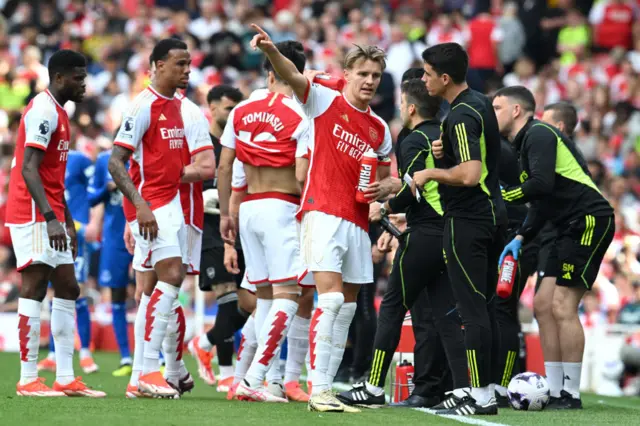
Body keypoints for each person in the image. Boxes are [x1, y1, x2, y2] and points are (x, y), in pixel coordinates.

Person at [247, 25, 393, 413]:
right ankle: (319, 390)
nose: (369, 81)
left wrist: (386, 190)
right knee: (328, 301)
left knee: (346, 308)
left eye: (375, 76)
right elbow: (294, 76)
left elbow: (385, 176)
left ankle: (325, 389)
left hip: (358, 221)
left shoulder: (378, 128)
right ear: (347, 74)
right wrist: (271, 49)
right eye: (362, 73)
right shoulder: (323, 100)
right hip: (322, 212)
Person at [338, 78, 468, 409]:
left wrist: (385, 208)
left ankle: (373, 385)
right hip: (451, 233)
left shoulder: (411, 140)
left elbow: (414, 191)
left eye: (400, 102)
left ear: (410, 107)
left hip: (425, 233)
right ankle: (463, 390)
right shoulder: (444, 135)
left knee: (393, 306)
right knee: (446, 315)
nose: (398, 107)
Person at [496, 89, 614, 409]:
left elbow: (541, 186)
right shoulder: (527, 143)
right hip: (564, 226)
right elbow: (542, 202)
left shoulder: (538, 132)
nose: (492, 114)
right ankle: (553, 387)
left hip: (587, 221)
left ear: (517, 110)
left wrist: (498, 200)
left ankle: (570, 394)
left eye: (497, 107)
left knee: (562, 306)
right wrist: (521, 237)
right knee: (543, 305)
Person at [414, 42, 507, 415]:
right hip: (490, 215)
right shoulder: (480, 101)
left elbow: (470, 175)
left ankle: (479, 394)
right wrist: (446, 153)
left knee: (470, 311)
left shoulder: (461, 115)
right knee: (483, 307)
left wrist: (431, 172)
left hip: (467, 220)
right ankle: (490, 389)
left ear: (445, 78)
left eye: (427, 73)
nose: (423, 80)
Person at [217, 40, 310, 403]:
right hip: (281, 207)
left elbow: (225, 166)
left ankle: (257, 378)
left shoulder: (241, 110)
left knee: (266, 298)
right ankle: (254, 380)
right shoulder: (302, 115)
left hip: (249, 209)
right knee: (291, 295)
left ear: (270, 75)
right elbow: (303, 177)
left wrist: (227, 213)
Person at [109, 38, 203, 399]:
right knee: (170, 277)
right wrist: (139, 206)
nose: (186, 70)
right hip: (152, 205)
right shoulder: (143, 106)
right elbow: (115, 162)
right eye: (179, 63)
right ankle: (149, 369)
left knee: (156, 288)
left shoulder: (177, 107)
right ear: (158, 65)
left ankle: (141, 376)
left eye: (189, 63)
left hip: (169, 203)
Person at [8, 49, 105, 397]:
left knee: (69, 288)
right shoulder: (44, 111)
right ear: (60, 77)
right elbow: (28, 168)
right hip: (32, 213)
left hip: (51, 214)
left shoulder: (61, 112)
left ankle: (65, 377)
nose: (84, 83)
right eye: (79, 77)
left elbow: (52, 175)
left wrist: (67, 223)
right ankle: (28, 378)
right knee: (33, 288)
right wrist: (50, 218)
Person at [188, 84, 248, 393]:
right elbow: (185, 178)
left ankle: (205, 342)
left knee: (247, 301)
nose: (234, 114)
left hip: (238, 229)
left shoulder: (240, 144)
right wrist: (208, 195)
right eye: (228, 108)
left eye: (238, 108)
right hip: (210, 230)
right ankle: (227, 373)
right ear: (212, 108)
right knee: (227, 295)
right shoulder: (201, 144)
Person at [38, 143, 99, 375]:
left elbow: (94, 191)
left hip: (77, 231)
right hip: (54, 229)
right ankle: (53, 355)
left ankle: (85, 353)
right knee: (54, 293)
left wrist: (90, 222)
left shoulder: (79, 159)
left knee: (78, 290)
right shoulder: (44, 160)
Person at [88, 147, 134, 376]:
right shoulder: (104, 160)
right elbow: (90, 197)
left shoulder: (144, 155)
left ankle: (160, 358)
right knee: (117, 295)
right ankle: (126, 357)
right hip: (115, 239)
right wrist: (108, 188)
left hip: (143, 233)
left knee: (151, 291)